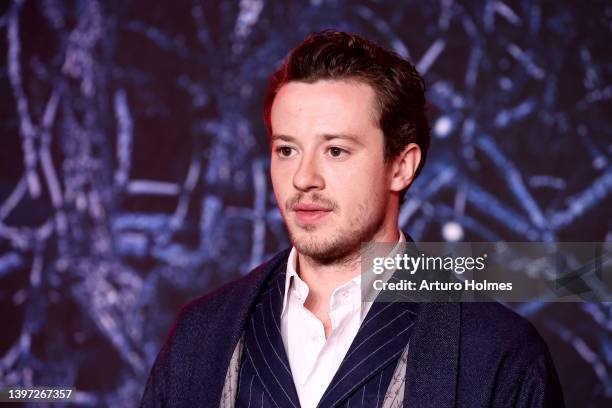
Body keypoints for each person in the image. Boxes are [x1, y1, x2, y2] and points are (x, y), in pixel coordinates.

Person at [141, 30, 564, 407]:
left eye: (336, 151)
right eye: (286, 150)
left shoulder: (500, 356)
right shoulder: (198, 337)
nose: (303, 178)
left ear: (401, 166)